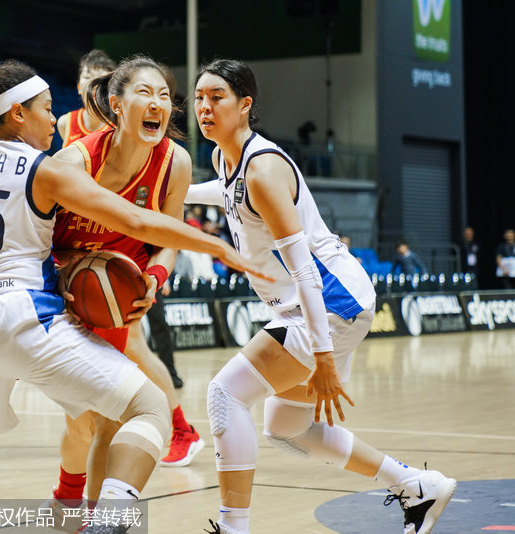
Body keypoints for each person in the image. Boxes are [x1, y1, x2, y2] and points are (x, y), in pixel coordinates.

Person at [0, 59, 263, 534]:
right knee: (151, 408)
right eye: (47, 110)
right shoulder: (47, 169)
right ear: (18, 114)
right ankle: (105, 525)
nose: (56, 120)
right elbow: (134, 222)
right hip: (25, 314)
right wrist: (217, 246)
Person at [185, 59, 455, 534]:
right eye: (199, 97)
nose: (204, 107)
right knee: (287, 430)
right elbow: (227, 195)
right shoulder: (225, 159)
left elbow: (307, 272)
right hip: (327, 303)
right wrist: (179, 193)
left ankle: (234, 528)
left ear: (245, 106)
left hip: (331, 302)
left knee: (225, 393)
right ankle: (417, 484)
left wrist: (323, 356)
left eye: (216, 97)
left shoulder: (263, 170)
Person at [50, 56, 206, 512]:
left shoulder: (174, 162)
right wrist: (60, 271)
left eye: (164, 96)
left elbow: (170, 239)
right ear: (116, 104)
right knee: (79, 424)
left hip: (116, 298)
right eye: (145, 93)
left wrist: (155, 278)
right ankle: (65, 497)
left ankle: (92, 518)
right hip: (64, 296)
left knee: (106, 423)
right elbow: (35, 234)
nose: (158, 103)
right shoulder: (74, 156)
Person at [56, 49, 116, 147]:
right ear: (79, 87)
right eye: (88, 77)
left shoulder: (119, 126)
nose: (94, 84)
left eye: (101, 78)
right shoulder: (65, 123)